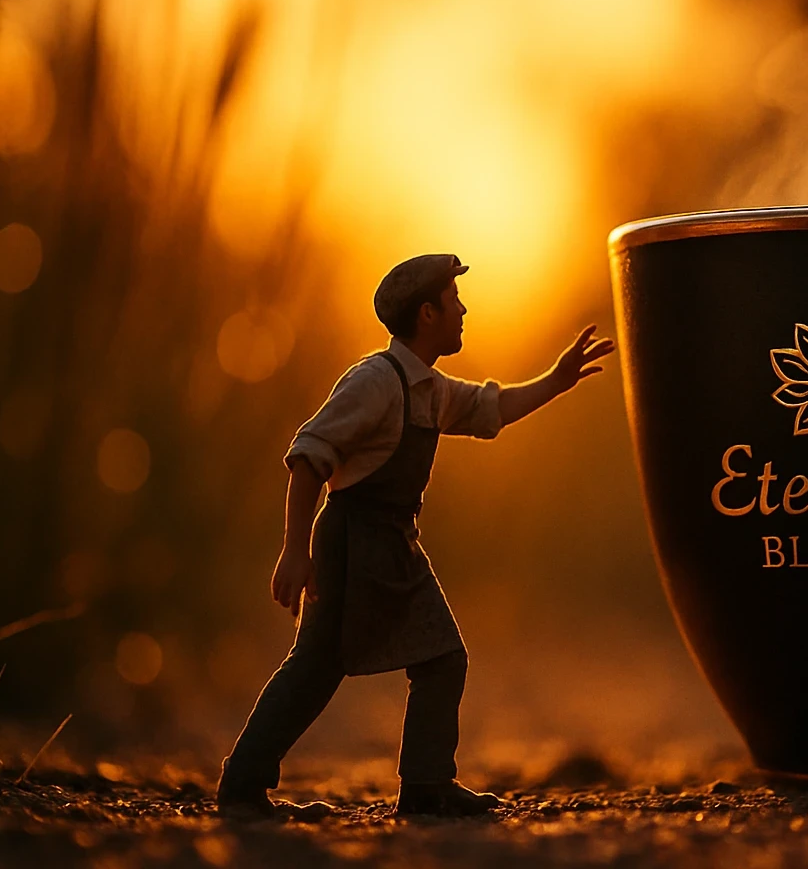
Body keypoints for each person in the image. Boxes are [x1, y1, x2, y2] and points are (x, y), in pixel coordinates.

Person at [215, 253, 615, 818]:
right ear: (426, 314)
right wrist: (295, 551)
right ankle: (242, 785)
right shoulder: (374, 381)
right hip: (352, 543)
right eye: (454, 301)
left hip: (396, 541)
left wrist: (556, 380)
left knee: (442, 658)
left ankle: (426, 787)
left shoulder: (429, 388)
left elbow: (490, 407)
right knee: (315, 665)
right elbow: (308, 458)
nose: (463, 310)